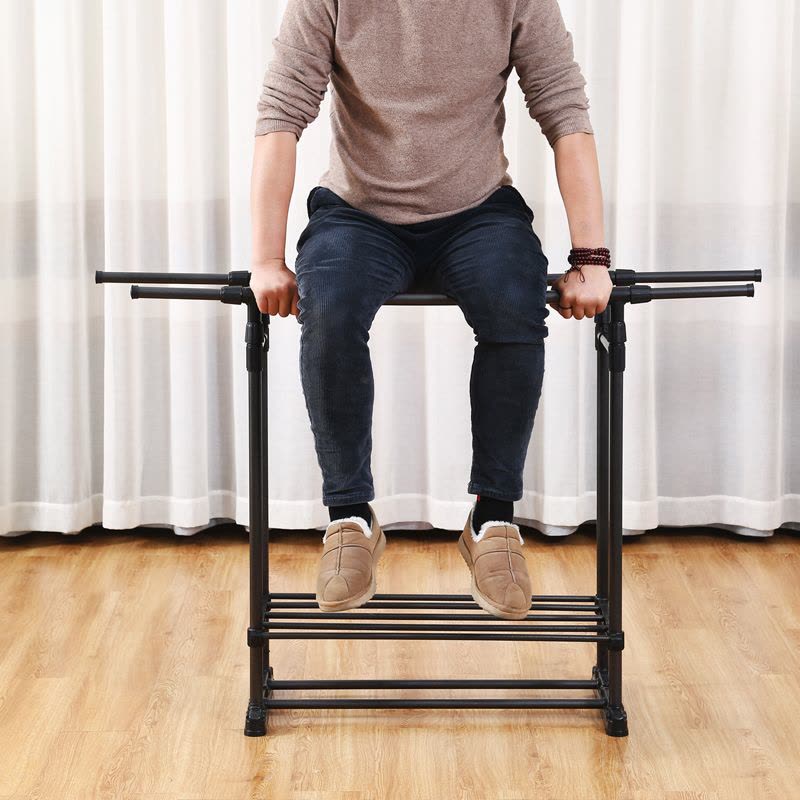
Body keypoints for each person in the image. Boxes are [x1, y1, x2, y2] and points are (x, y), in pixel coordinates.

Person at [249, 0, 612, 620]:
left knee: (514, 297)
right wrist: (266, 259)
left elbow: (564, 111)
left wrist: (592, 257)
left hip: (477, 211)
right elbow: (282, 114)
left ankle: (493, 520)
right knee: (329, 306)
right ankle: (350, 518)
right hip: (358, 213)